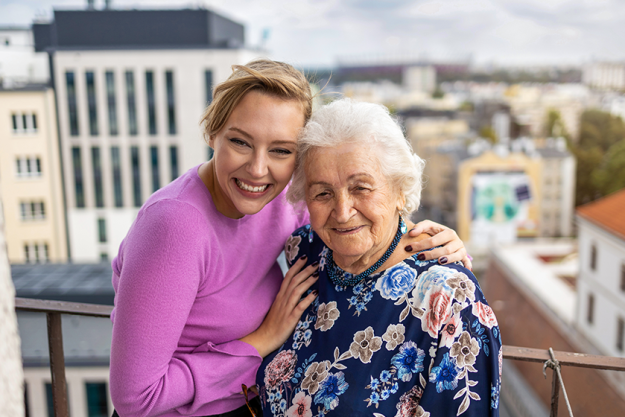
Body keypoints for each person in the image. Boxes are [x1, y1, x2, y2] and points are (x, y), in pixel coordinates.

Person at [109, 60, 471, 417]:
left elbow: (351, 216)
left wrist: (430, 236)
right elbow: (135, 397)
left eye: (281, 150)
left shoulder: (278, 196)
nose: (257, 168)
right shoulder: (174, 226)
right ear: (211, 133)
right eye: (240, 142)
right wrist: (262, 341)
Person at [256, 99, 502, 417]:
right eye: (323, 193)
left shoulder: (447, 297)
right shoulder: (304, 252)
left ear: (400, 190)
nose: (343, 213)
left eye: (361, 187)